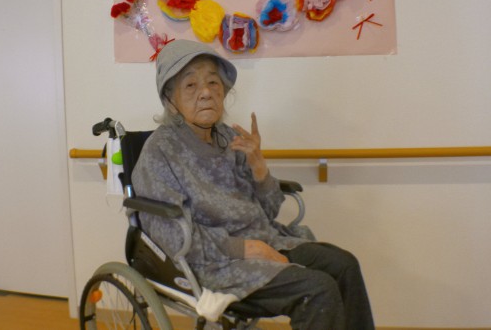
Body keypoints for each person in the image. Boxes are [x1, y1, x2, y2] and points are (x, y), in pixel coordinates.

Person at [132, 39, 374, 330]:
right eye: (191, 85)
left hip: (265, 239)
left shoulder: (227, 138)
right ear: (170, 99)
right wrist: (244, 248)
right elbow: (169, 236)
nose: (206, 92)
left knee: (345, 265)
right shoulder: (159, 151)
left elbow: (268, 212)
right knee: (316, 290)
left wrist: (259, 166)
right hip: (214, 263)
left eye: (213, 82)